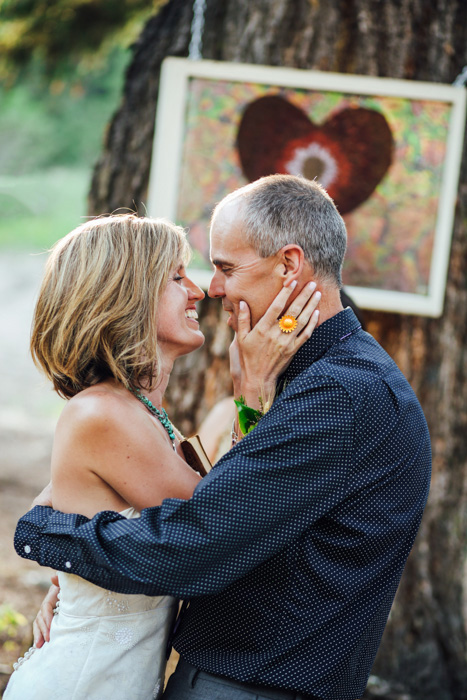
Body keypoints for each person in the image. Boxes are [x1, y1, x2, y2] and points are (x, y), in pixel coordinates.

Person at [14, 175, 431, 700]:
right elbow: (221, 512)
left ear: (289, 265)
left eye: (225, 268)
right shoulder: (316, 381)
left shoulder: (337, 394)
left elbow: (200, 535)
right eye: (184, 275)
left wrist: (50, 536)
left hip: (254, 684)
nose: (209, 289)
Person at [5, 211, 320, 700]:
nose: (197, 292)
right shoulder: (104, 415)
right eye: (176, 277)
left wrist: (67, 571)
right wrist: (253, 390)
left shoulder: (142, 415)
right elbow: (224, 528)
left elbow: (59, 508)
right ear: (125, 294)